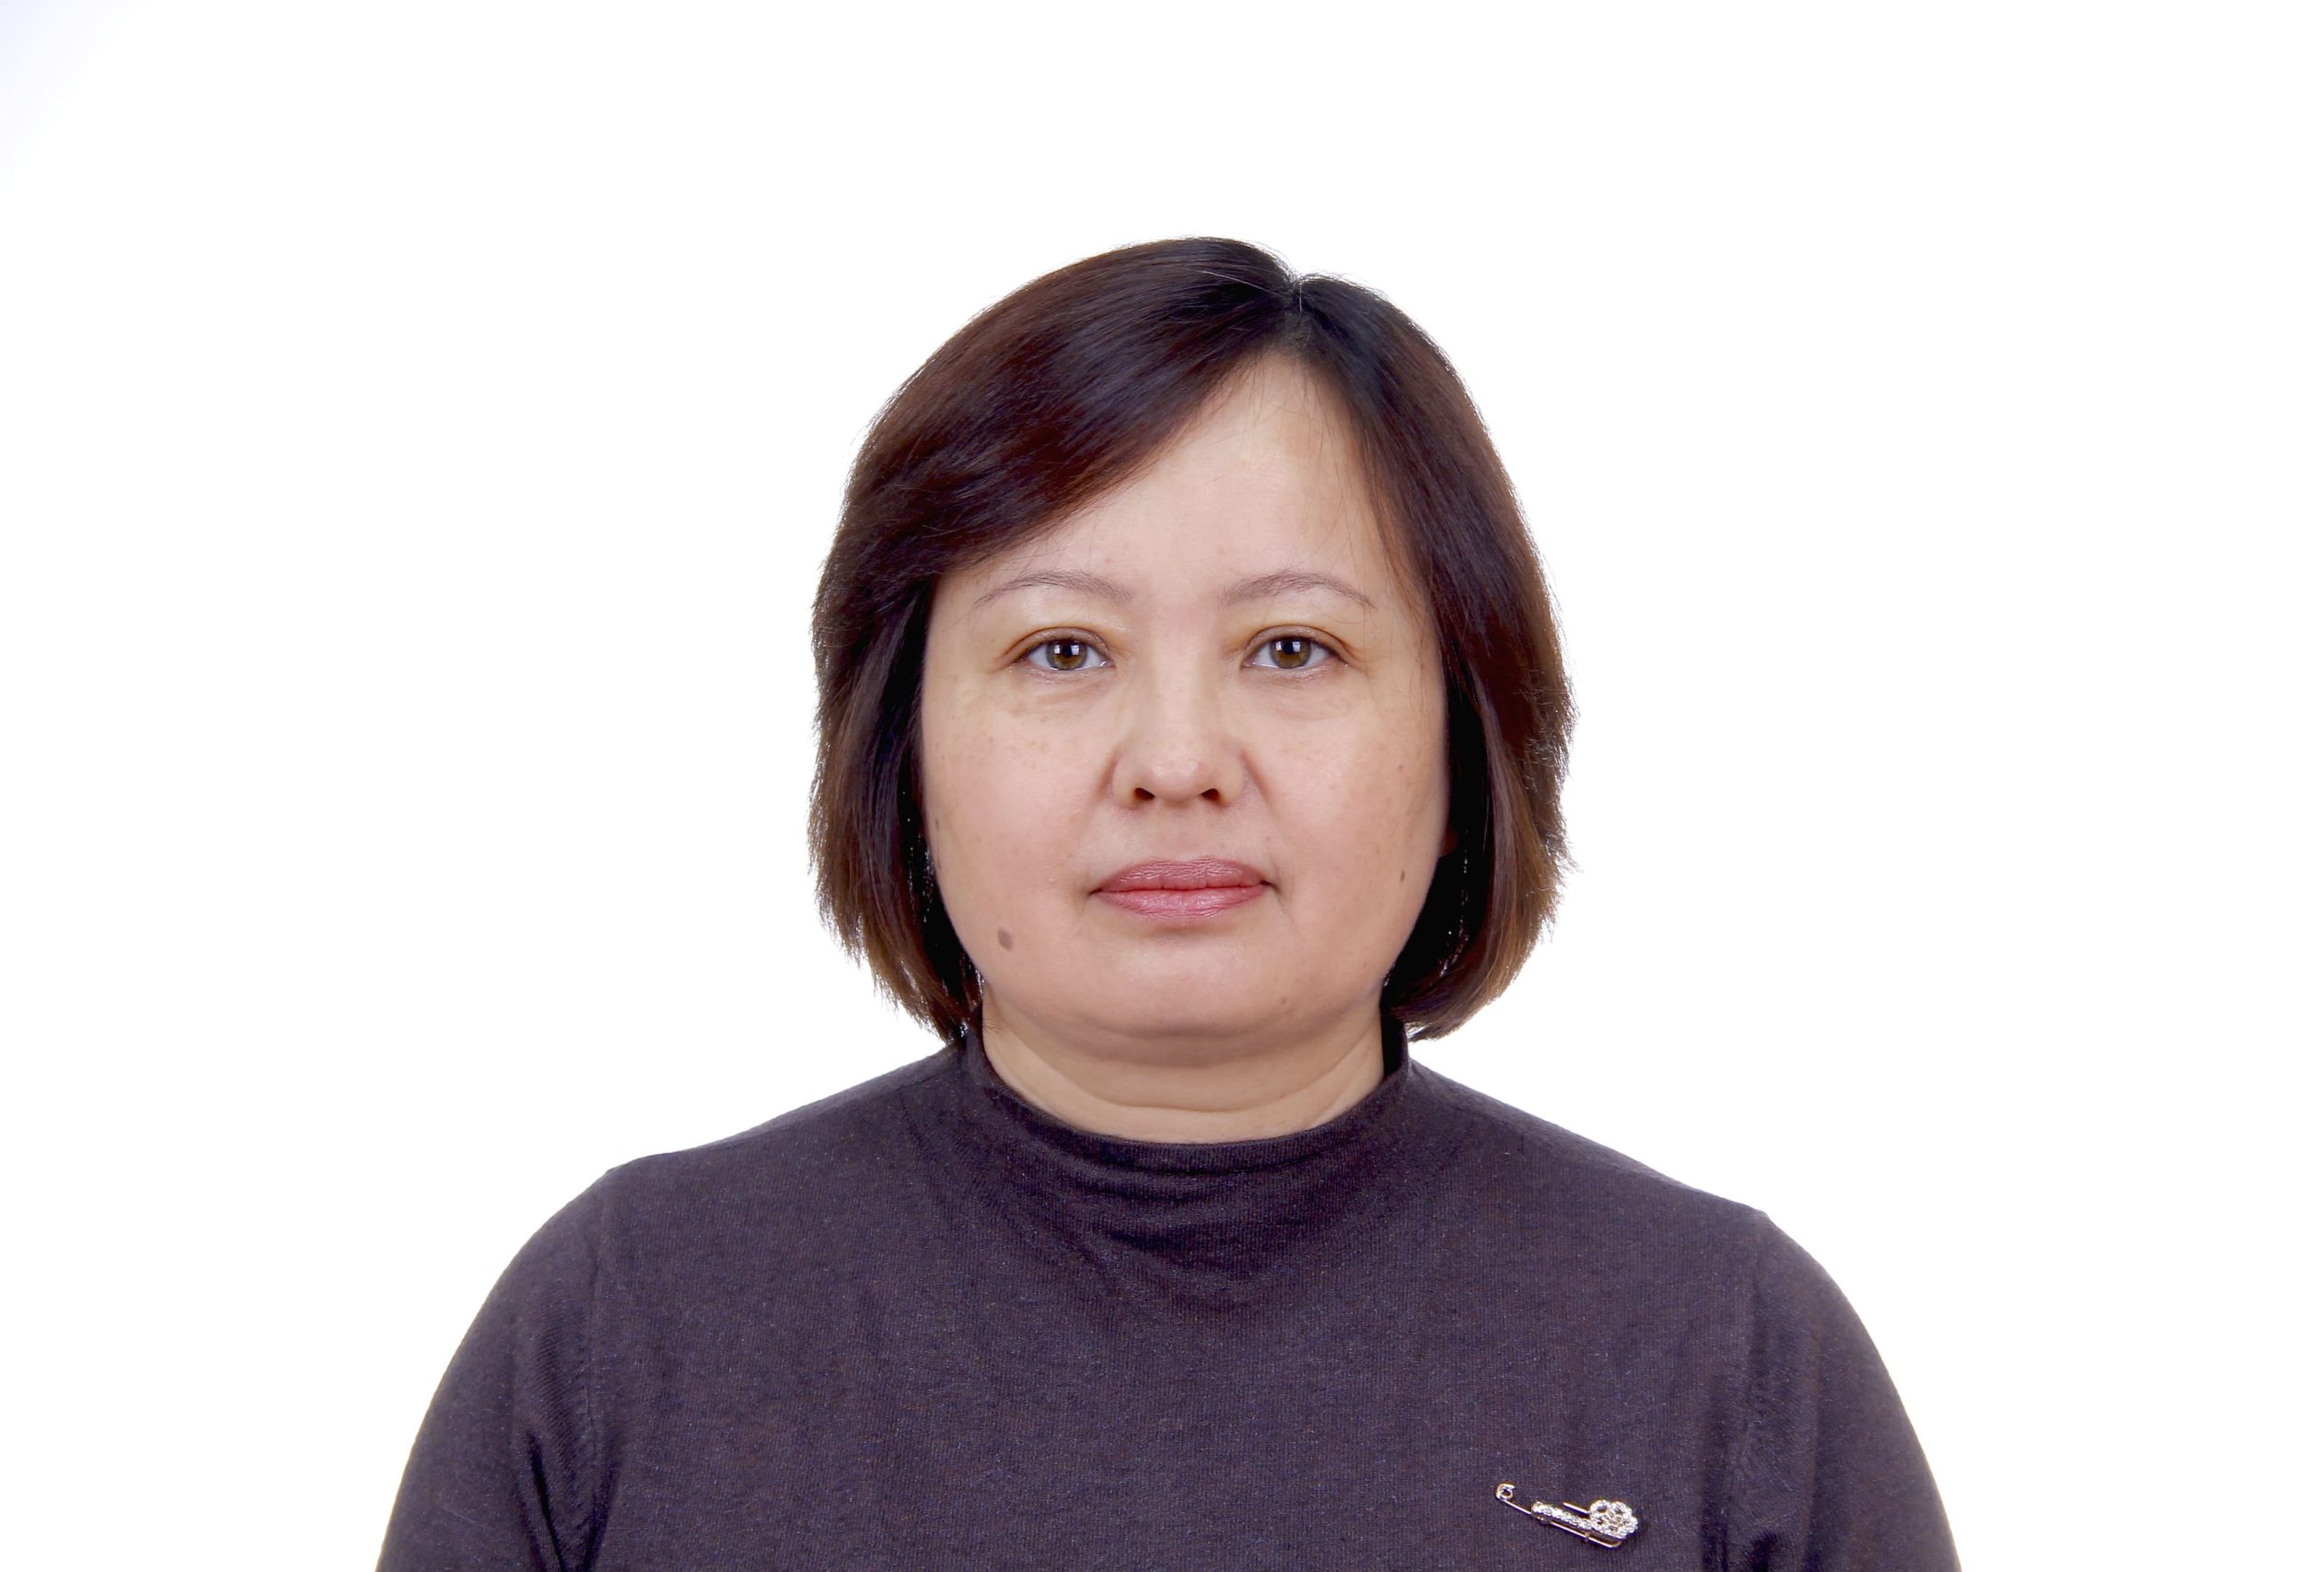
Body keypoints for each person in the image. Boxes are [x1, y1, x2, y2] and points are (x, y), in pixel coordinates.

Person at [375, 237, 1960, 1569]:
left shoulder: (1722, 1355)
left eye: (1295, 650)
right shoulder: (628, 1330)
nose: (1179, 761)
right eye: (1061, 651)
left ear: (1463, 728)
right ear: (901, 740)